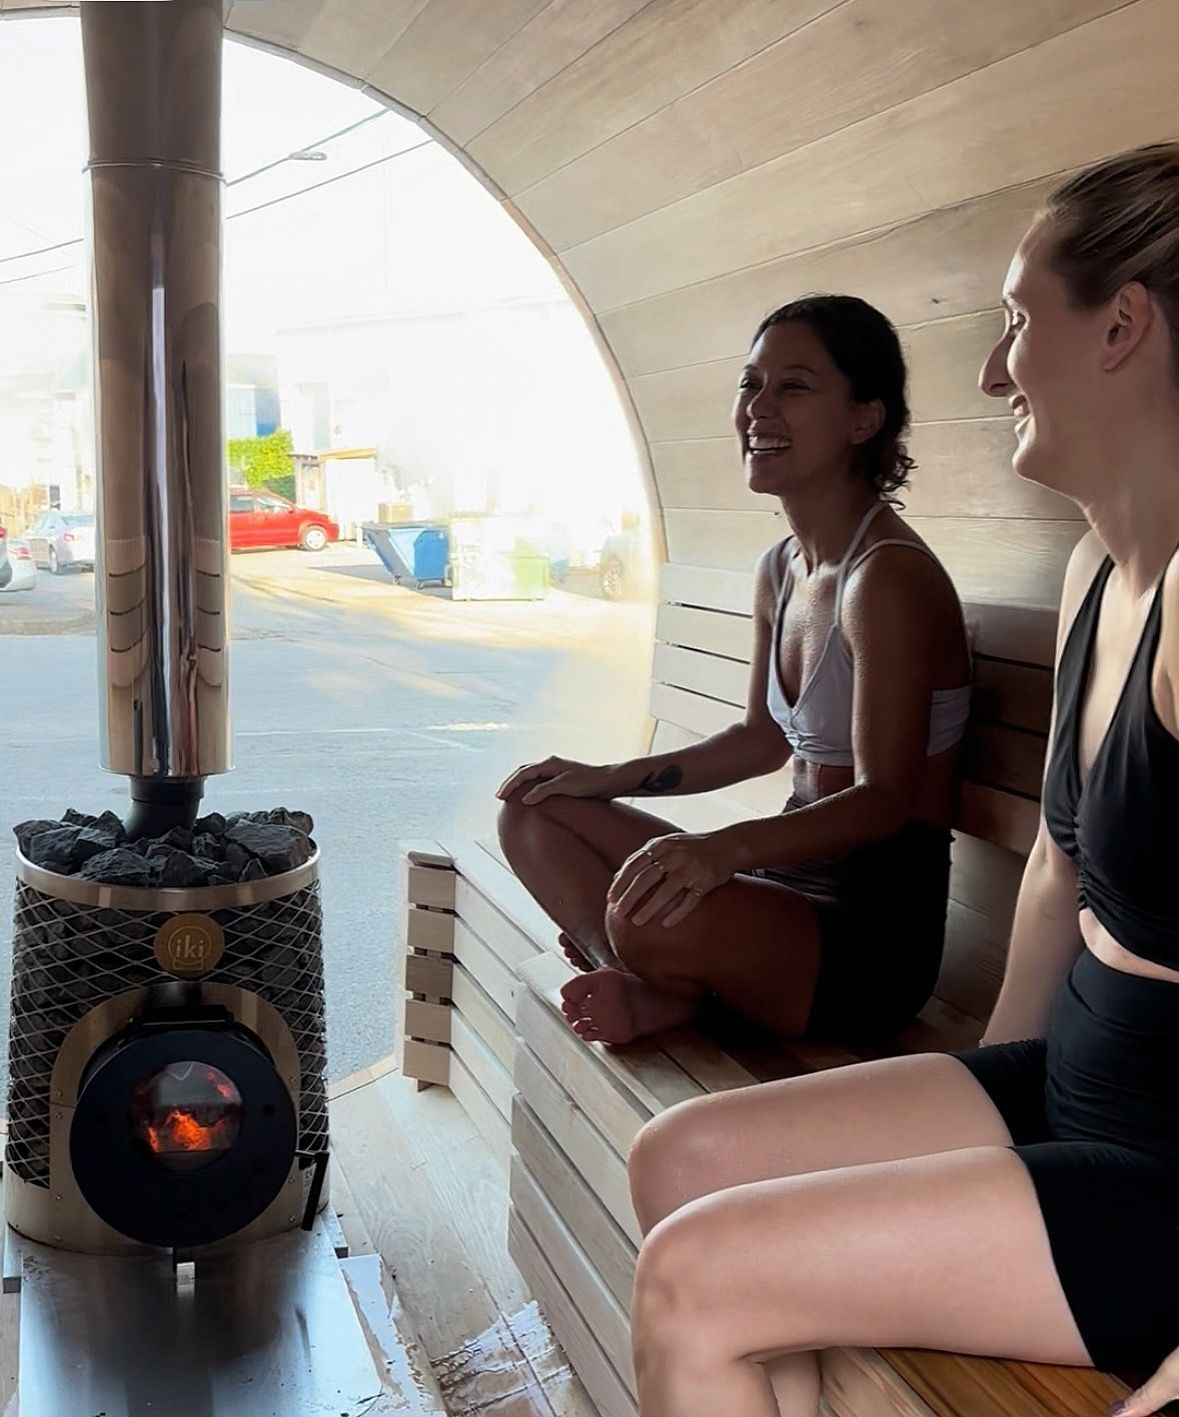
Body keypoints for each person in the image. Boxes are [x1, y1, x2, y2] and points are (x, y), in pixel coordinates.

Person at [619, 142, 1179, 1416]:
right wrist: (987, 1117)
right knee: (681, 1156)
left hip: (1162, 1167)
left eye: (1019, 321)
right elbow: (1056, 871)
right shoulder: (1105, 573)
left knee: (697, 1278)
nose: (991, 370)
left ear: (1124, 329)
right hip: (1072, 1090)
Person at [496, 294, 972, 1047]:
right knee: (532, 810)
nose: (759, 407)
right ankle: (654, 982)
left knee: (640, 907)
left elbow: (884, 800)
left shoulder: (886, 578)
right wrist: (603, 776)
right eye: (750, 384)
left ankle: (660, 984)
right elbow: (758, 740)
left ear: (863, 419)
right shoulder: (781, 568)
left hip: (866, 929)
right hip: (782, 887)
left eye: (794, 385)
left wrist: (723, 851)